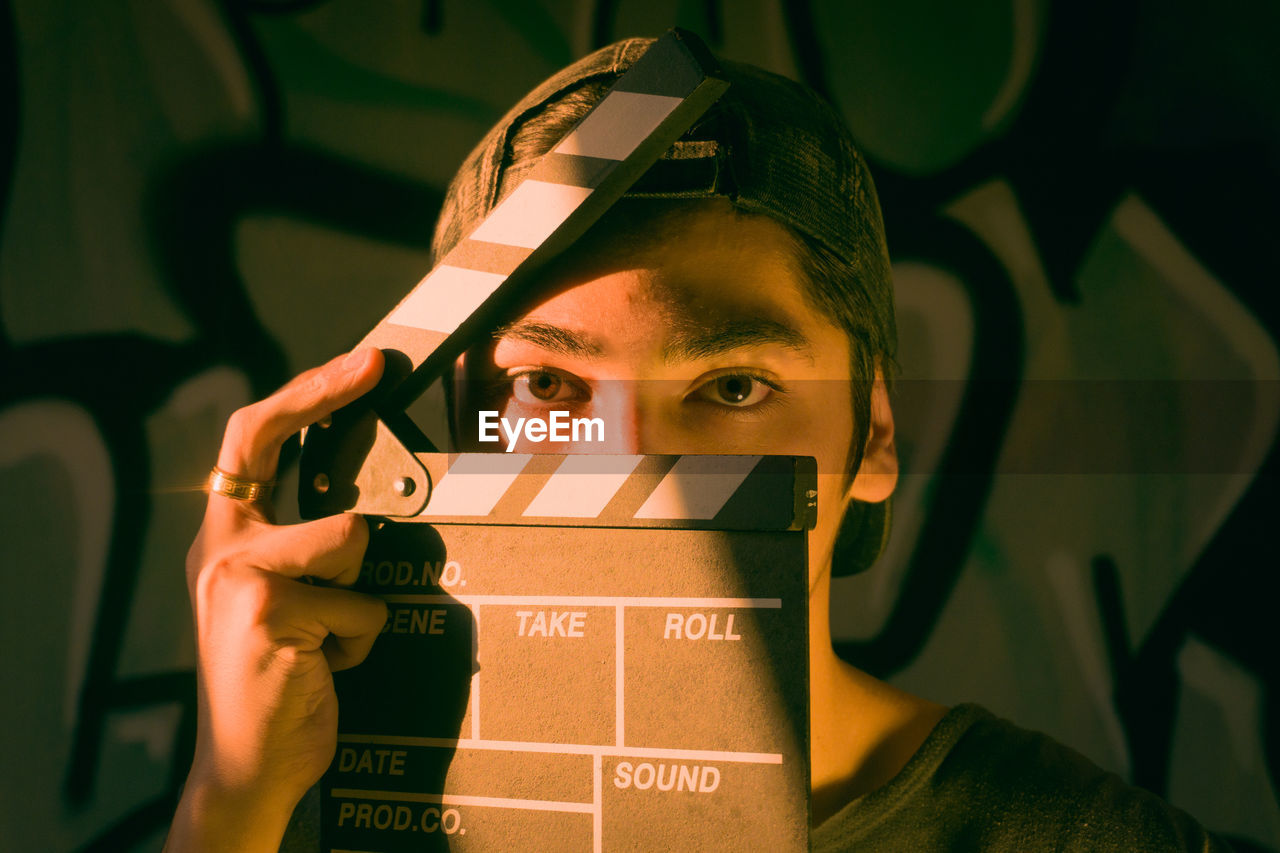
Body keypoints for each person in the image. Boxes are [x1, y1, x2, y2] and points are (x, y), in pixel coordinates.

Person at [165, 37, 1233, 852]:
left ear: (869, 435)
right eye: (548, 385)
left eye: (731, 386)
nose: (627, 465)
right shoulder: (317, 814)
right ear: (463, 440)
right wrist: (227, 809)